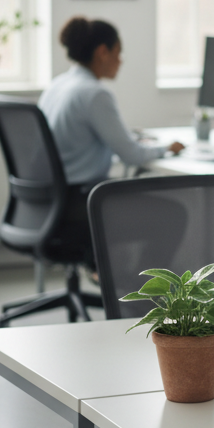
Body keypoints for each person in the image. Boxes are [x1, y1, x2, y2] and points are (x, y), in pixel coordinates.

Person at [39, 18, 185, 257]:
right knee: (173, 214)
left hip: (50, 201)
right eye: (118, 52)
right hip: (80, 202)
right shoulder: (95, 94)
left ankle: (117, 275)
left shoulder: (58, 85)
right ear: (102, 52)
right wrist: (167, 148)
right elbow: (132, 155)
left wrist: (128, 138)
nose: (121, 60)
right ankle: (137, 282)